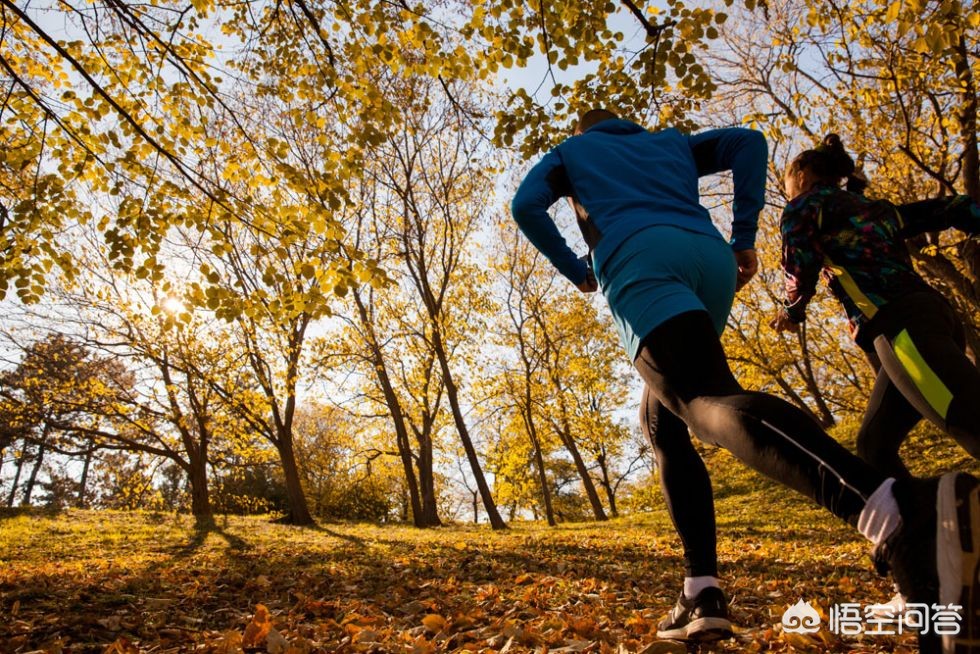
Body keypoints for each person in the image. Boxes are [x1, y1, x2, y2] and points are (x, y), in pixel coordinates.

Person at [510, 108, 980, 653]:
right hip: (708, 261)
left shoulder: (574, 153)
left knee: (701, 398)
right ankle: (701, 591)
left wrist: (576, 269)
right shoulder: (670, 142)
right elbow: (748, 145)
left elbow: (526, 206)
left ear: (581, 131)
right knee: (661, 419)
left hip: (640, 259)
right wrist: (743, 234)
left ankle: (895, 512)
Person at [771, 134, 980, 479]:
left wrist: (791, 312)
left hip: (902, 330)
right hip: (930, 319)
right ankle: (927, 528)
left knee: (971, 422)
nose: (789, 192)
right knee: (873, 447)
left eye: (788, 183)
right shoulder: (875, 210)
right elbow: (952, 208)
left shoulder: (805, 207)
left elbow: (799, 265)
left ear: (804, 175)